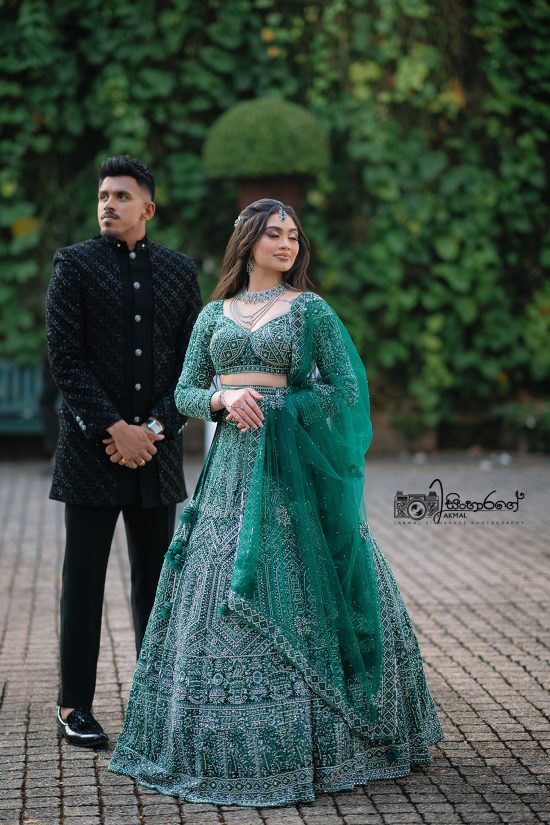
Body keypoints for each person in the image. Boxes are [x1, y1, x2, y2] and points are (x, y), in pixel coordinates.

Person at [108, 199, 443, 806]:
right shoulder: (214, 315)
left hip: (291, 473)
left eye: (293, 236)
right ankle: (212, 742)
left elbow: (346, 390)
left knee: (302, 578)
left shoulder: (311, 311)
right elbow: (185, 391)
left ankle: (324, 736)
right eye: (274, 234)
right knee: (215, 577)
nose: (287, 244)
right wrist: (222, 401)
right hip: (230, 474)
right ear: (248, 243)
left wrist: (282, 406)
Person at [47, 155, 201, 748]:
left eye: (121, 196)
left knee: (157, 584)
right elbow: (65, 359)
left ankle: (155, 703)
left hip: (156, 455)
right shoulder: (74, 265)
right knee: (83, 581)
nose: (108, 205)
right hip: (91, 453)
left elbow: (192, 363)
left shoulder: (178, 271)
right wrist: (114, 428)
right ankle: (74, 706)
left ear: (148, 208)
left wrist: (153, 429)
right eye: (103, 196)